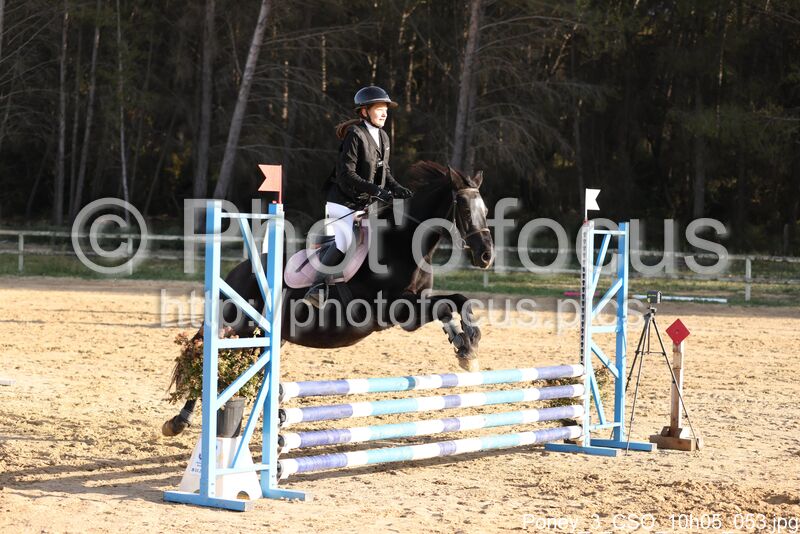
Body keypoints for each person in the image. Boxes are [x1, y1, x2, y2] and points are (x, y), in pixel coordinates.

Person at [304, 86, 413, 307]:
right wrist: (377, 191)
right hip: (342, 201)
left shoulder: (383, 136)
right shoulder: (355, 135)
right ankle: (317, 286)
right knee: (345, 241)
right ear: (364, 111)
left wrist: (397, 188)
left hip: (366, 203)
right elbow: (347, 174)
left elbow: (385, 171)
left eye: (386, 110)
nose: (384, 114)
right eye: (379, 109)